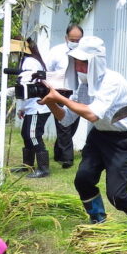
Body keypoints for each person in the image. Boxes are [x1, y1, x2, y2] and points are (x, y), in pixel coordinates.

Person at [40, 36, 127, 224]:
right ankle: (98, 219)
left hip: (125, 140)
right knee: (83, 179)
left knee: (117, 195)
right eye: (77, 62)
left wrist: (62, 98)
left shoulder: (112, 81)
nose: (79, 67)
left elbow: (92, 115)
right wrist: (51, 102)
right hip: (100, 135)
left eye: (84, 62)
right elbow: (66, 119)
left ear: (96, 62)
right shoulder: (84, 86)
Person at [44, 23, 84, 168]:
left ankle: (59, 152)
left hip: (78, 92)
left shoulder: (84, 52)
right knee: (63, 126)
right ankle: (67, 159)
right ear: (66, 38)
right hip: (60, 91)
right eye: (72, 40)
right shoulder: (56, 52)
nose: (75, 43)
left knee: (72, 125)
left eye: (78, 40)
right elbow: (47, 70)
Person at [15, 38, 52, 178]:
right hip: (31, 106)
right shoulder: (29, 61)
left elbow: (27, 85)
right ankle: (27, 165)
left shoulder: (30, 62)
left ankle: (43, 168)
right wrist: (23, 108)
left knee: (33, 135)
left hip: (38, 106)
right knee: (26, 134)